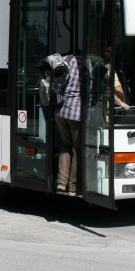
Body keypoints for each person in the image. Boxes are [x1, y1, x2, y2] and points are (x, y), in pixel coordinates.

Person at [55, 50, 83, 195]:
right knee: (77, 149)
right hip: (75, 113)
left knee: (66, 145)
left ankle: (61, 183)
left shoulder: (64, 60)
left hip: (60, 111)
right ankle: (73, 187)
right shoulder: (85, 63)